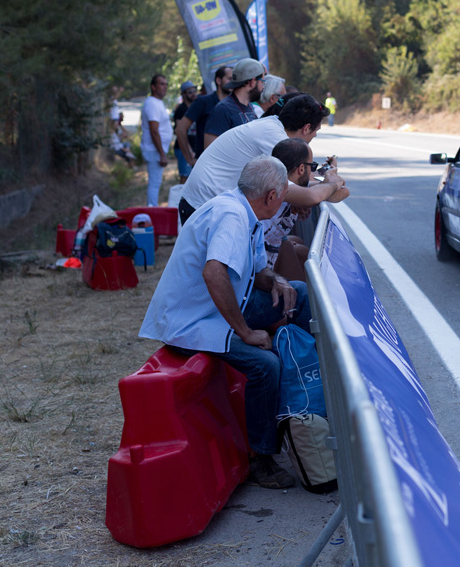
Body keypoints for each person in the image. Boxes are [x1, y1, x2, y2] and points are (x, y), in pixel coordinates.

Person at [139, 155, 306, 489]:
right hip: (193, 322)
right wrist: (246, 333)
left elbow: (259, 272)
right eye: (285, 194)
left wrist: (276, 282)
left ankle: (303, 403)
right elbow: (214, 273)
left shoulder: (249, 212)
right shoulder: (231, 215)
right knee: (266, 366)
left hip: (225, 308)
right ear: (272, 197)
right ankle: (262, 458)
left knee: (297, 292)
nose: (286, 199)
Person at [178, 94, 335, 224]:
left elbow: (300, 187)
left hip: (206, 204)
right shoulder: (275, 138)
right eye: (316, 130)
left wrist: (323, 183)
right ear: (306, 128)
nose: (315, 135)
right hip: (202, 207)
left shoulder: (272, 125)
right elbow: (307, 195)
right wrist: (333, 183)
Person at [265, 138, 349, 280]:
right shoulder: (278, 184)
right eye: (313, 166)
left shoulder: (294, 186)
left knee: (301, 249)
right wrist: (331, 182)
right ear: (301, 169)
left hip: (266, 250)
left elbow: (343, 192)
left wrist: (330, 175)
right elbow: (313, 196)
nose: (313, 170)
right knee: (289, 249)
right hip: (260, 263)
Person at [203, 58, 266, 148]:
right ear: (252, 82)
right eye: (262, 82)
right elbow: (209, 150)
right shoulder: (222, 110)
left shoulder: (250, 106)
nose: (263, 87)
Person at [178, 65, 232, 164]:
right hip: (206, 164)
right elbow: (180, 129)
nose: (232, 82)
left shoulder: (235, 104)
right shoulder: (203, 101)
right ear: (218, 81)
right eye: (229, 78)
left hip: (228, 162)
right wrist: (189, 159)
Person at [140, 74, 172, 207]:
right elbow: (154, 130)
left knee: (156, 182)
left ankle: (152, 209)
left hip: (156, 150)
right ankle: (152, 209)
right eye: (161, 84)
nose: (165, 87)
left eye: (166, 84)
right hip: (154, 150)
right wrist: (162, 154)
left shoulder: (157, 102)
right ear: (153, 87)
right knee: (154, 183)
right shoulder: (152, 103)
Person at [173, 81, 199, 183]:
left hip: (193, 148)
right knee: (185, 178)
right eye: (190, 92)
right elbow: (180, 131)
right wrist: (189, 150)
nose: (193, 94)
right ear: (183, 94)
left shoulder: (194, 108)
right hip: (183, 148)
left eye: (194, 91)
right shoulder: (181, 109)